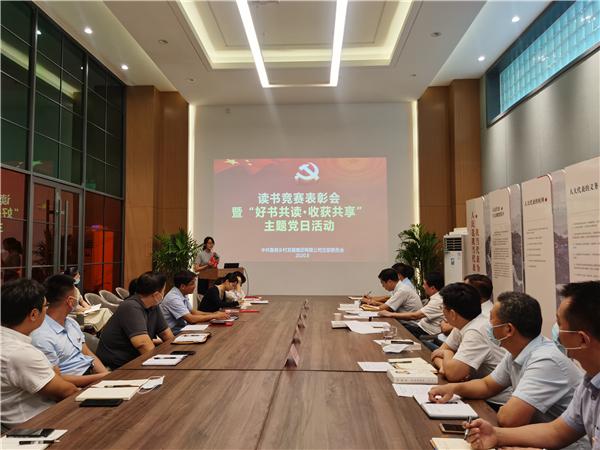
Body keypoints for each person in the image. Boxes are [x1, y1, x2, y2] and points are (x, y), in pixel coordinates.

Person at [465, 281, 599, 450]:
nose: (556, 331)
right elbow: (556, 432)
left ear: (582, 340)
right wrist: (495, 435)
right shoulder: (590, 382)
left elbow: (510, 418)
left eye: (560, 324)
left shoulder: (548, 359)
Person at [429, 291, 585, 435]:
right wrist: (453, 388)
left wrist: (506, 408)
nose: (488, 325)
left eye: (491, 320)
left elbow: (509, 419)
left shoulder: (546, 360)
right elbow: (487, 385)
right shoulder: (517, 351)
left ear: (508, 330)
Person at [1, 279, 78, 430]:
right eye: (45, 306)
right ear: (34, 314)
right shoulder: (20, 352)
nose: (47, 310)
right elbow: (67, 391)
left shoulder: (9, 341)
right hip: (38, 425)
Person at [429, 283, 510, 404]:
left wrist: (447, 354)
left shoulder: (476, 330)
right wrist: (444, 366)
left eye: (443, 308)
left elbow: (453, 374)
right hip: (475, 390)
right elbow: (436, 355)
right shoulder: (463, 323)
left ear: (452, 314)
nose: (442, 312)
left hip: (494, 401)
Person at [31, 275, 109, 387]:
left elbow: (87, 353)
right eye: (76, 295)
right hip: (74, 386)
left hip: (92, 376)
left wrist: (107, 377)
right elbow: (56, 379)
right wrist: (101, 377)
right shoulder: (42, 336)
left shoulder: (71, 323)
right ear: (70, 301)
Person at [96, 272, 174, 369]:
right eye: (164, 291)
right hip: (118, 366)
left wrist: (176, 353)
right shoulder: (130, 306)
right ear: (156, 295)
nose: (164, 294)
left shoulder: (153, 306)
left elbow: (166, 334)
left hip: (137, 360)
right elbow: (143, 345)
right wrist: (161, 365)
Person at [379, 271, 445, 339]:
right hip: (420, 327)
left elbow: (415, 316)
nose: (423, 287)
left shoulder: (437, 301)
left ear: (432, 288)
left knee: (392, 333)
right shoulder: (436, 298)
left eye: (424, 284)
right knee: (389, 330)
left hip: (425, 332)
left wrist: (391, 314)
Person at [160, 270, 230, 334]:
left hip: (182, 327)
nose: (194, 286)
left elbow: (193, 312)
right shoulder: (173, 298)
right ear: (183, 286)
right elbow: (191, 319)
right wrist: (214, 316)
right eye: (192, 284)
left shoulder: (182, 293)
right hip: (173, 332)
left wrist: (214, 314)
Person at [437, 274, 494, 344]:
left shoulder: (484, 317)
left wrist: (442, 322)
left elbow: (446, 329)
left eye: (465, 289)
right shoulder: (474, 309)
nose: (461, 291)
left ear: (474, 293)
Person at [62, 266, 112, 332]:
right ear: (72, 277)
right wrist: (85, 309)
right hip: (77, 315)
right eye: (78, 276)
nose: (79, 277)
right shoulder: (67, 290)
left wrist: (89, 307)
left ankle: (105, 331)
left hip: (83, 311)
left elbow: (82, 301)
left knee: (105, 310)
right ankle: (106, 331)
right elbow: (73, 308)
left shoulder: (76, 289)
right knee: (104, 313)